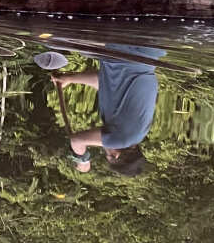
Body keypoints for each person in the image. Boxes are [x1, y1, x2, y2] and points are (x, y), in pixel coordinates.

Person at [50, 43, 165, 175]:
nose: (104, 148)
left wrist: (70, 79)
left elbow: (105, 83)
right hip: (121, 51)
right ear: (115, 155)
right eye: (107, 155)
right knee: (54, 40)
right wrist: (83, 161)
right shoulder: (120, 140)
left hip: (147, 53)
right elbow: (77, 140)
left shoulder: (138, 132)